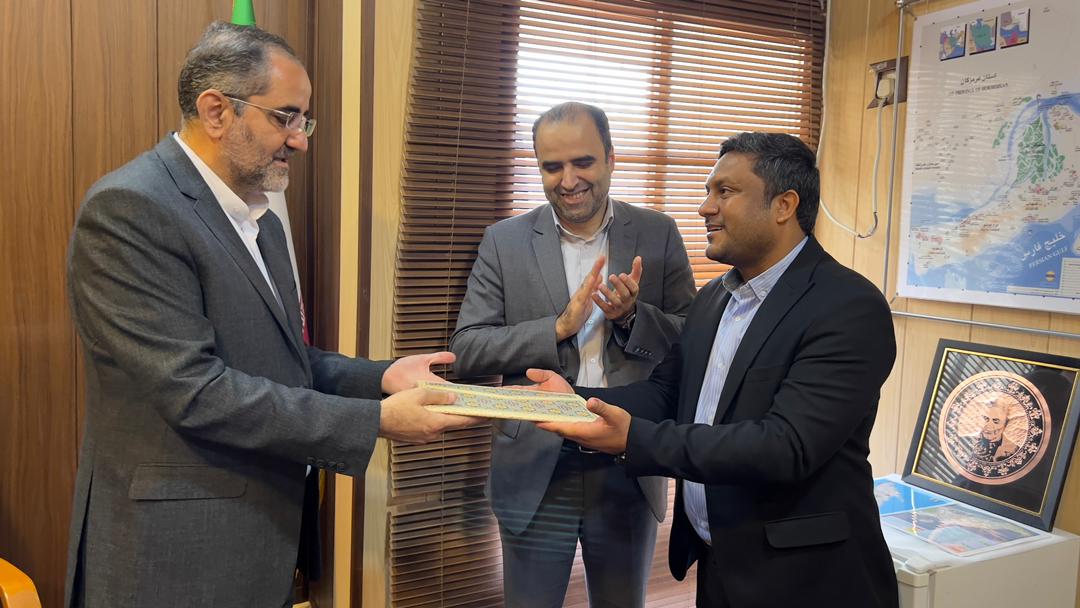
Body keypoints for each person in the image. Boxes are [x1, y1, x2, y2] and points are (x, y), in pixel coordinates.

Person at [64, 22, 480, 608]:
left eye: (304, 120)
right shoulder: (131, 208)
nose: (300, 140)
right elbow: (196, 391)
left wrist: (382, 377)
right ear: (216, 111)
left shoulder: (259, 219)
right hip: (176, 553)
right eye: (286, 117)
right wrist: (374, 421)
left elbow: (279, 358)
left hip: (263, 541)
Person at [532, 132, 900, 607]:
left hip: (807, 578)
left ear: (784, 205)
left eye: (725, 191)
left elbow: (786, 446)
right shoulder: (714, 298)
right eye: (708, 191)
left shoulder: (847, 306)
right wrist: (574, 401)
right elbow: (667, 394)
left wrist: (634, 440)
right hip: (721, 563)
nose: (705, 207)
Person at [449, 102, 695, 607]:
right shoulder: (504, 241)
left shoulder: (659, 233)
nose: (568, 181)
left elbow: (692, 340)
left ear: (611, 158)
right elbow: (467, 348)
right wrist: (557, 328)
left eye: (583, 162)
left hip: (626, 459)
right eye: (552, 166)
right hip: (538, 466)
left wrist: (632, 317)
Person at [975, 396, 1020, 461]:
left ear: (1006, 423)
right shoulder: (968, 443)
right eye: (985, 419)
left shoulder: (1014, 449)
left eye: (996, 421)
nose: (989, 426)